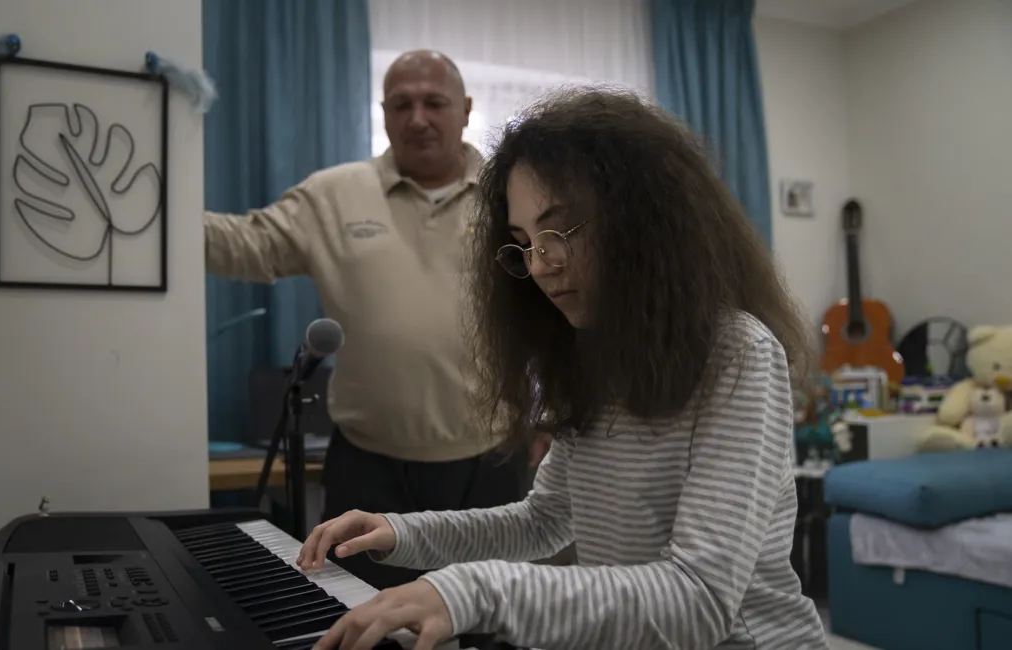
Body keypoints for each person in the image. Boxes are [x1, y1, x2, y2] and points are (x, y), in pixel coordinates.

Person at [297, 87, 831, 650]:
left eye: (558, 232)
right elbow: (544, 521)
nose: (540, 265)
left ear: (644, 218)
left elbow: (697, 598)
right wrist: (400, 531)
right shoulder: (587, 360)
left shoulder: (739, 353)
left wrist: (473, 591)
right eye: (523, 243)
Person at [204, 50, 528, 590]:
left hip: (489, 466)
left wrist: (555, 414)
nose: (417, 118)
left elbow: (559, 302)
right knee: (365, 618)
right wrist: (155, 213)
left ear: (467, 109)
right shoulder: (335, 195)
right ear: (382, 113)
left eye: (434, 102)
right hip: (369, 468)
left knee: (491, 620)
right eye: (401, 104)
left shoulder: (511, 196)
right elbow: (250, 244)